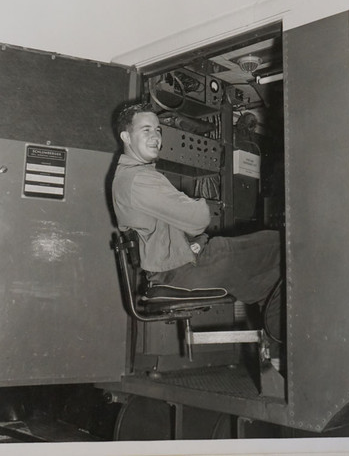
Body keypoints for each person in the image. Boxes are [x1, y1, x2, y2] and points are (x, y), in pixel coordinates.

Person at [112, 102, 283, 360]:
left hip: (174, 269)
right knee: (280, 243)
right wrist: (196, 205)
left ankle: (282, 349)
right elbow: (200, 219)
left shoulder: (131, 176)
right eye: (145, 130)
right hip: (187, 269)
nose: (155, 136)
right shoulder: (140, 179)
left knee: (265, 284)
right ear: (126, 136)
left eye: (158, 129)